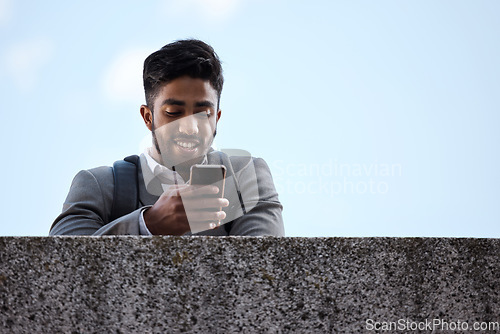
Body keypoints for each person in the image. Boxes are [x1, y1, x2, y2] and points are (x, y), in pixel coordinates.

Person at [50, 39, 284, 236]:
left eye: (204, 114)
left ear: (217, 119)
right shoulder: (99, 185)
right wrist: (149, 223)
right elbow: (53, 263)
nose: (190, 128)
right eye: (174, 112)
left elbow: (265, 269)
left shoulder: (247, 177)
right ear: (147, 117)